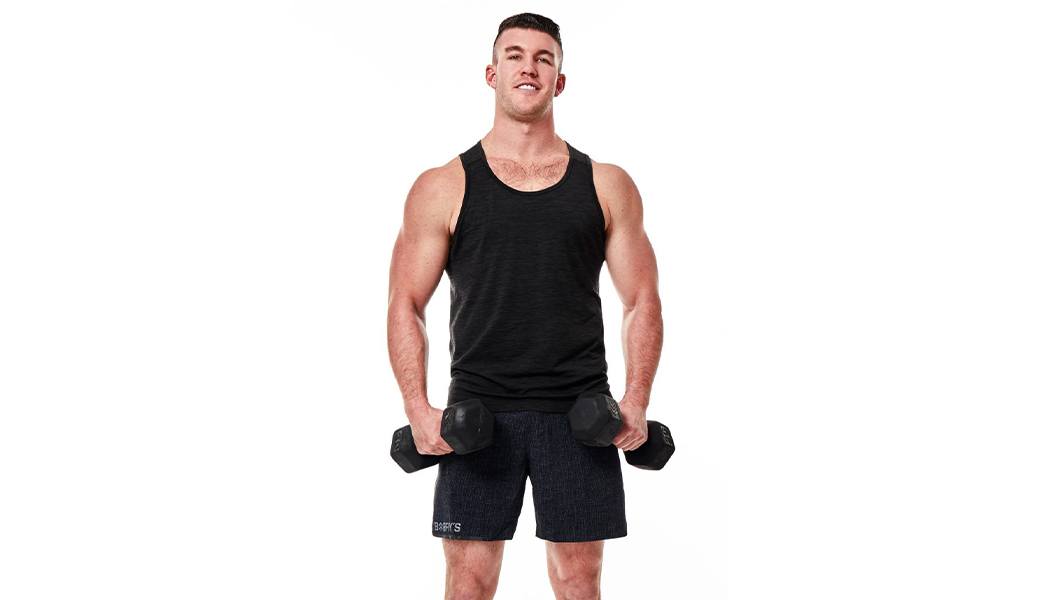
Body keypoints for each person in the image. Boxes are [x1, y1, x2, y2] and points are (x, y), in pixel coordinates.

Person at [387, 13, 663, 600]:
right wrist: (417, 406)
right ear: (492, 73)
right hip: (478, 413)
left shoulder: (606, 184)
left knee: (578, 581)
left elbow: (641, 300)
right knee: (469, 580)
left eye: (544, 57)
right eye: (515, 56)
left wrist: (636, 401)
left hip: (579, 413)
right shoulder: (443, 186)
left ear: (559, 80)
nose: (529, 67)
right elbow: (406, 303)